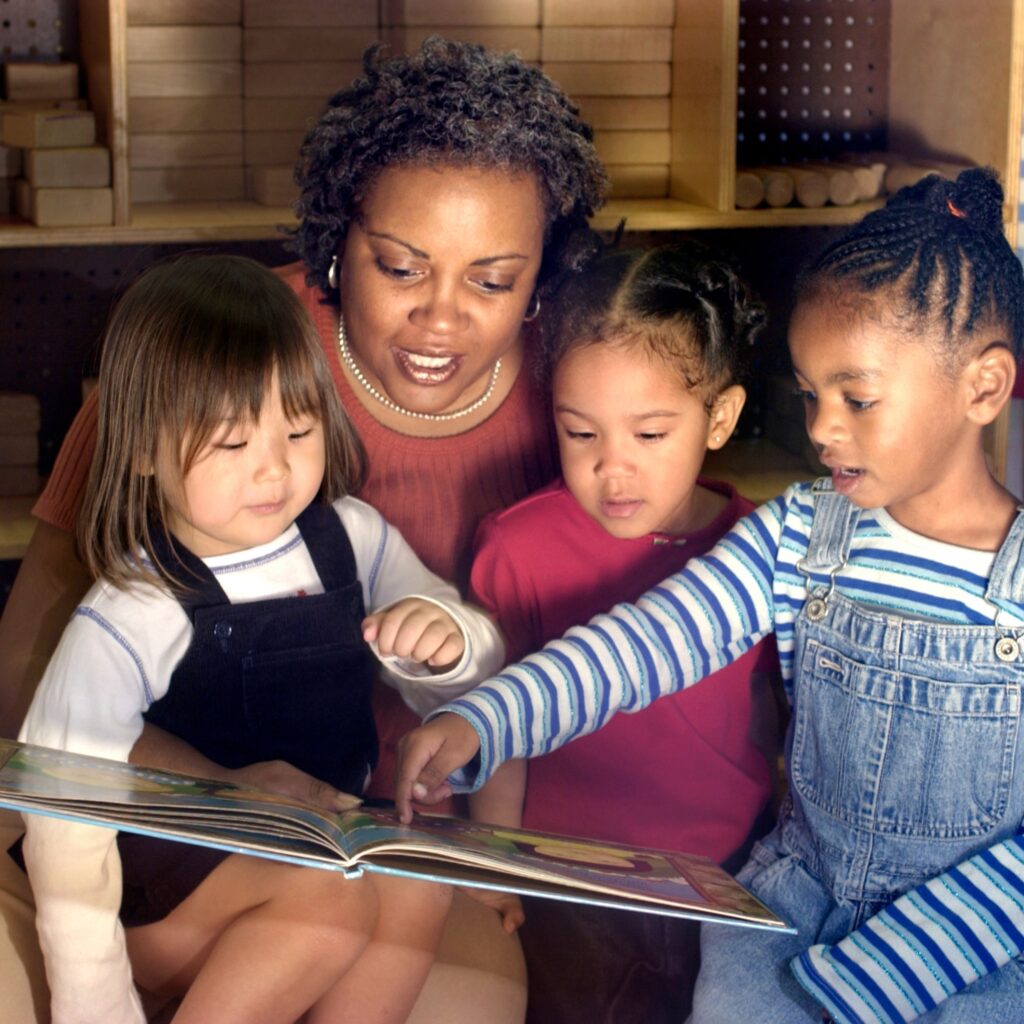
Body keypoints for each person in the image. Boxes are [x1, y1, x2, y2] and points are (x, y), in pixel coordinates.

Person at [0, 38, 607, 1022]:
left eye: (493, 282)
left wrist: (454, 656)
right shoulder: (221, 356)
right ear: (335, 240)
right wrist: (227, 794)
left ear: (542, 278)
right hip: (182, 819)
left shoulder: (576, 394)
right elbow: (36, 678)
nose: (440, 322)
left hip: (382, 825)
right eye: (400, 266)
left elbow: (499, 651)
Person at [395, 167, 1024, 1023]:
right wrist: (486, 719)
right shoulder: (798, 531)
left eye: (857, 398)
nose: (821, 428)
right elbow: (643, 646)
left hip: (977, 947)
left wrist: (896, 972)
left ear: (983, 387)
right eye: (810, 394)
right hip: (792, 909)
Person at [18, 253, 510, 1024]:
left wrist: (449, 640)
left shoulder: (354, 536)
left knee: (417, 878)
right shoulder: (137, 604)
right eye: (231, 443)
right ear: (144, 448)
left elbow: (463, 669)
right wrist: (95, 998)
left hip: (314, 847)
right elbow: (58, 796)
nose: (274, 469)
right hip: (162, 896)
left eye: (298, 428)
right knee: (330, 900)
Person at [466, 241, 780, 1022]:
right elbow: (500, 725)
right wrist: (493, 864)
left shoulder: (764, 553)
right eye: (582, 435)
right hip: (572, 885)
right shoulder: (518, 546)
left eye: (649, 434)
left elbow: (780, 729)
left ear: (721, 417)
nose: (615, 470)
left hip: (723, 884)